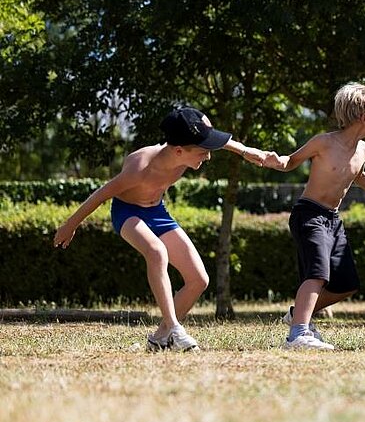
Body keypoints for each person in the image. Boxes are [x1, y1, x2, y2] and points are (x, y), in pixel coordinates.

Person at [53, 107, 271, 351]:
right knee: (156, 252)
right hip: (128, 213)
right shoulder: (139, 168)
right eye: (203, 152)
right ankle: (176, 329)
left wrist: (245, 151)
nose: (208, 157)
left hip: (157, 212)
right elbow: (101, 195)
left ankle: (159, 338)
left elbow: (216, 141)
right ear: (179, 151)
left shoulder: (184, 149)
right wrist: (70, 225)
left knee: (199, 279)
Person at [264, 83, 365, 350]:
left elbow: (360, 176)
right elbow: (290, 162)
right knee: (317, 273)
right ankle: (298, 334)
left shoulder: (363, 149)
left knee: (346, 284)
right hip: (309, 214)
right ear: (364, 117)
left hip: (333, 218)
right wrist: (274, 160)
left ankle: (298, 314)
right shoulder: (323, 142)